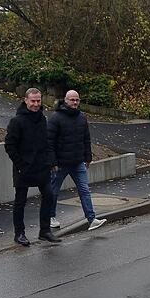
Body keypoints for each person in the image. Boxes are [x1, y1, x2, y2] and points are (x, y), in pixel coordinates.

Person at [4, 88, 61, 246]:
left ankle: (44, 231)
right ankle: (19, 233)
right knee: (20, 201)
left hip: (41, 166)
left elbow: (46, 143)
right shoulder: (17, 121)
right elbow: (10, 145)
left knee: (49, 195)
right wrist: (20, 164)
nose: (36, 104)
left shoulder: (42, 119)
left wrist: (51, 162)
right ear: (26, 100)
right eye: (33, 101)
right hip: (24, 168)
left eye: (38, 101)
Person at [47, 90, 106, 231]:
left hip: (78, 162)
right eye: (72, 100)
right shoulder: (56, 118)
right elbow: (49, 142)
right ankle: (50, 217)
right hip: (60, 164)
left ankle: (91, 219)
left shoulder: (81, 117)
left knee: (84, 190)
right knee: (53, 191)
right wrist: (52, 162)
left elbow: (86, 138)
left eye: (77, 100)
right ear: (66, 100)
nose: (75, 102)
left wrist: (88, 157)